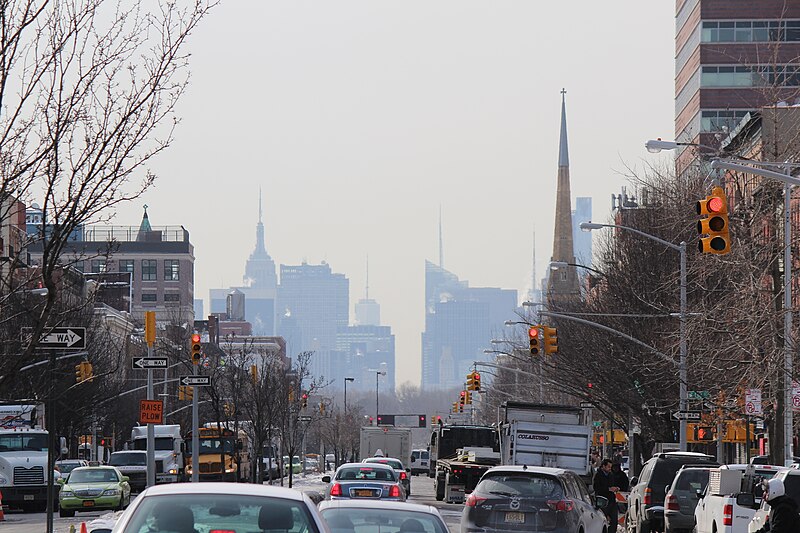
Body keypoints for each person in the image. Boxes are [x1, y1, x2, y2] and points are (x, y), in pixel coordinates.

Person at [593, 459, 620, 533]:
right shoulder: (597, 475)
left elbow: (613, 485)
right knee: (602, 520)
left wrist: (616, 488)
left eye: (610, 467)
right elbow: (597, 488)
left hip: (611, 500)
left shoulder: (611, 475)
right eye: (608, 467)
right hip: (602, 501)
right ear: (603, 466)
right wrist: (608, 489)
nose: (610, 468)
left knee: (614, 521)